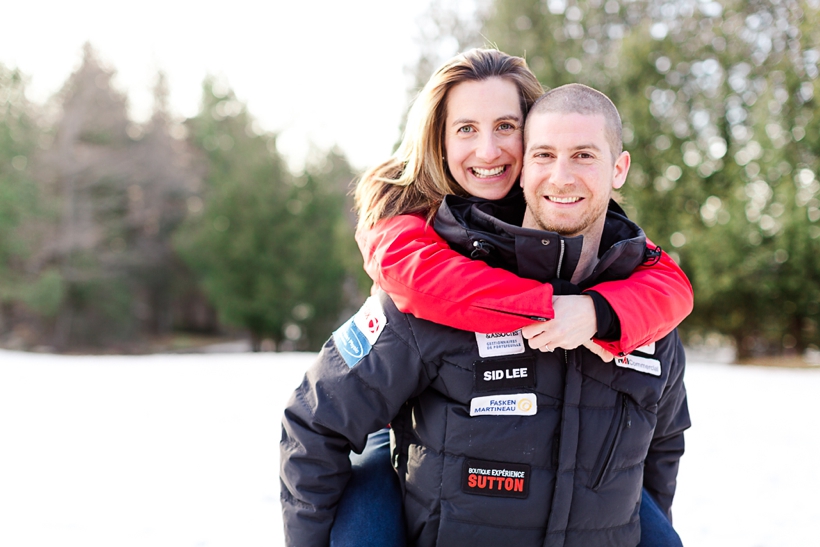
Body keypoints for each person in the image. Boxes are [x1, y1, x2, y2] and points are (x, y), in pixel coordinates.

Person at [280, 81, 690, 546]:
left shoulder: (644, 306)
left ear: (619, 168)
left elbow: (662, 448)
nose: (560, 175)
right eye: (544, 155)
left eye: (584, 155)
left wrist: (598, 311)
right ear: (523, 165)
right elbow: (316, 421)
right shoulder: (429, 287)